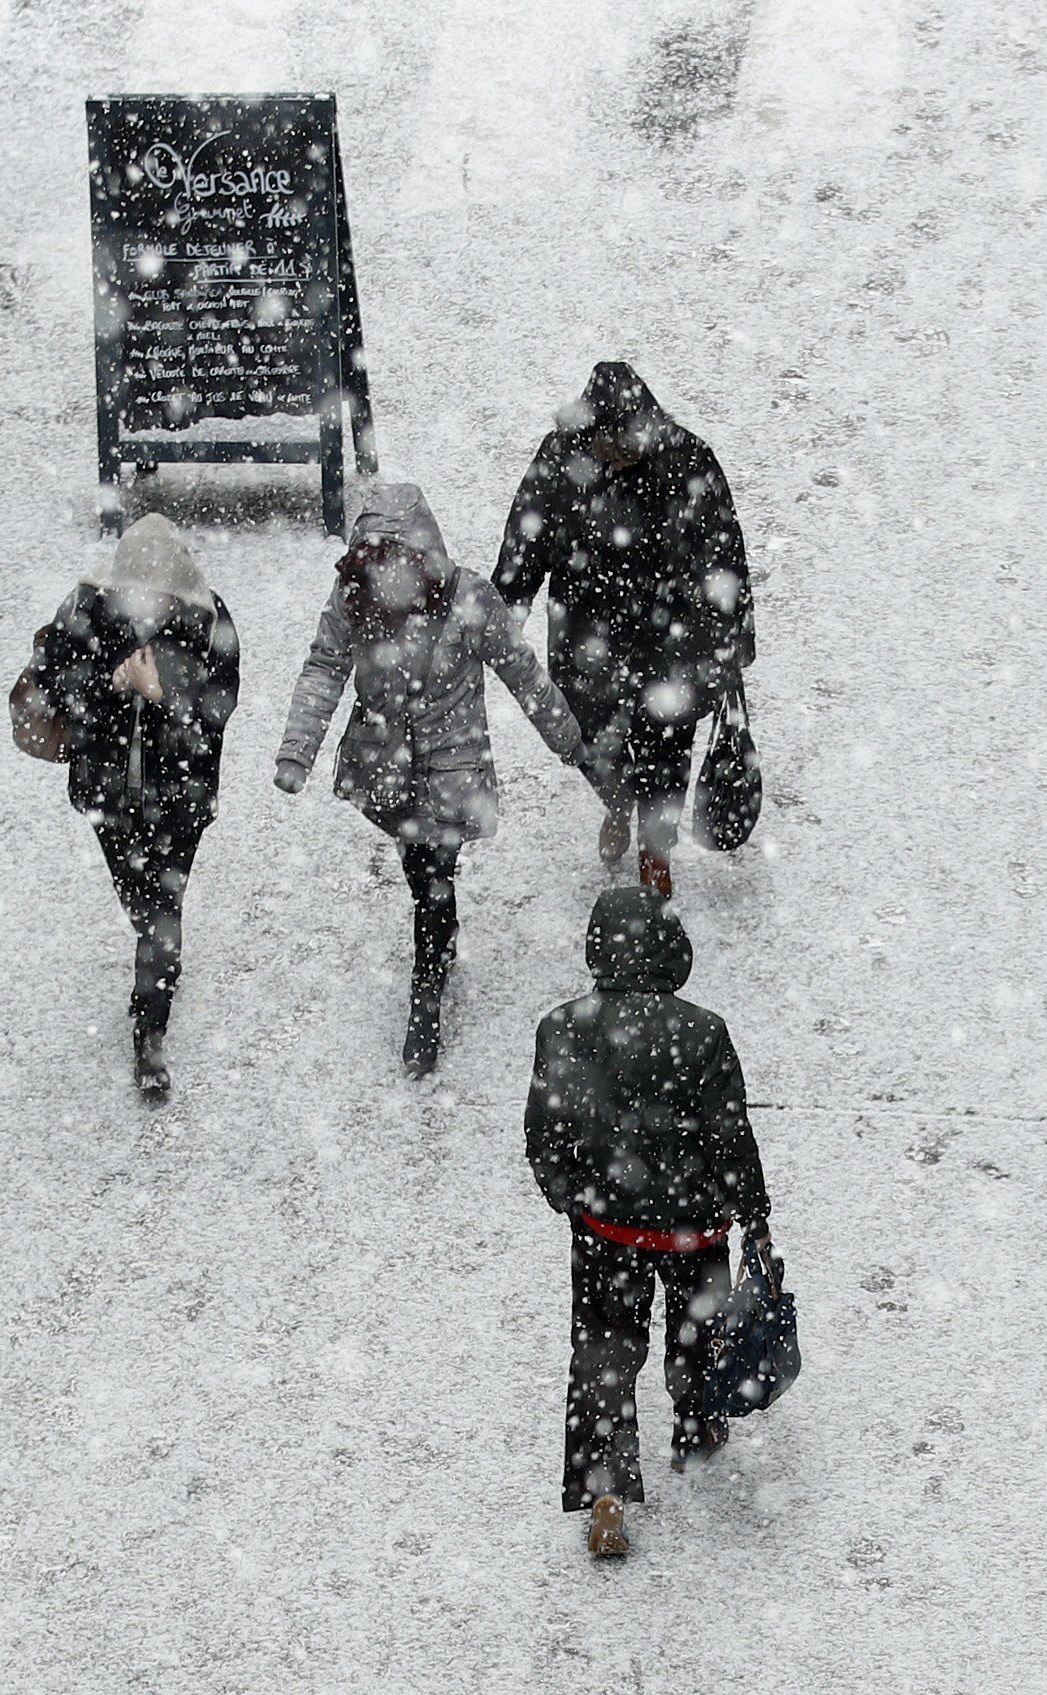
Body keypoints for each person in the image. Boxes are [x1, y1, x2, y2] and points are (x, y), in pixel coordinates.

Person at [272, 480, 601, 1077]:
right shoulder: (353, 600)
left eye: (395, 560)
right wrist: (297, 752)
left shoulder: (469, 600)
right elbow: (323, 667)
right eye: (374, 562)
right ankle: (440, 934)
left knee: (431, 873)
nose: (385, 576)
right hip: (388, 768)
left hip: (451, 771)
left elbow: (524, 677)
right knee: (420, 869)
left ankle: (427, 989)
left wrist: (571, 745)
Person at [524, 884, 773, 1561]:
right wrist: (753, 1212)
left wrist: (571, 1195)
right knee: (697, 1332)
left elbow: (544, 1133)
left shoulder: (564, 1027)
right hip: (695, 1226)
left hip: (610, 1227)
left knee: (604, 1354)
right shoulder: (704, 1030)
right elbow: (730, 1135)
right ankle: (695, 1425)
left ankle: (606, 1488)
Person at [492, 361, 755, 897]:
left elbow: (723, 552)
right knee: (588, 733)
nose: (621, 455)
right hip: (588, 633)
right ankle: (616, 800)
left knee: (667, 743)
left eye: (631, 441)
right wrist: (503, 614)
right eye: (611, 444)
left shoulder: (688, 460)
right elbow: (528, 536)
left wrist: (732, 638)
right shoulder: (561, 458)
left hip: (670, 634)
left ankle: (655, 850)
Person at [34, 513, 239, 1102]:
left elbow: (216, 712)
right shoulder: (84, 613)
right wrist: (110, 689)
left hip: (180, 799)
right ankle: (156, 964)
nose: (145, 608)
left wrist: (164, 696)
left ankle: (150, 1031)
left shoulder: (210, 624)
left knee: (160, 911)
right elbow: (56, 695)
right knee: (139, 899)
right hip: (107, 795)